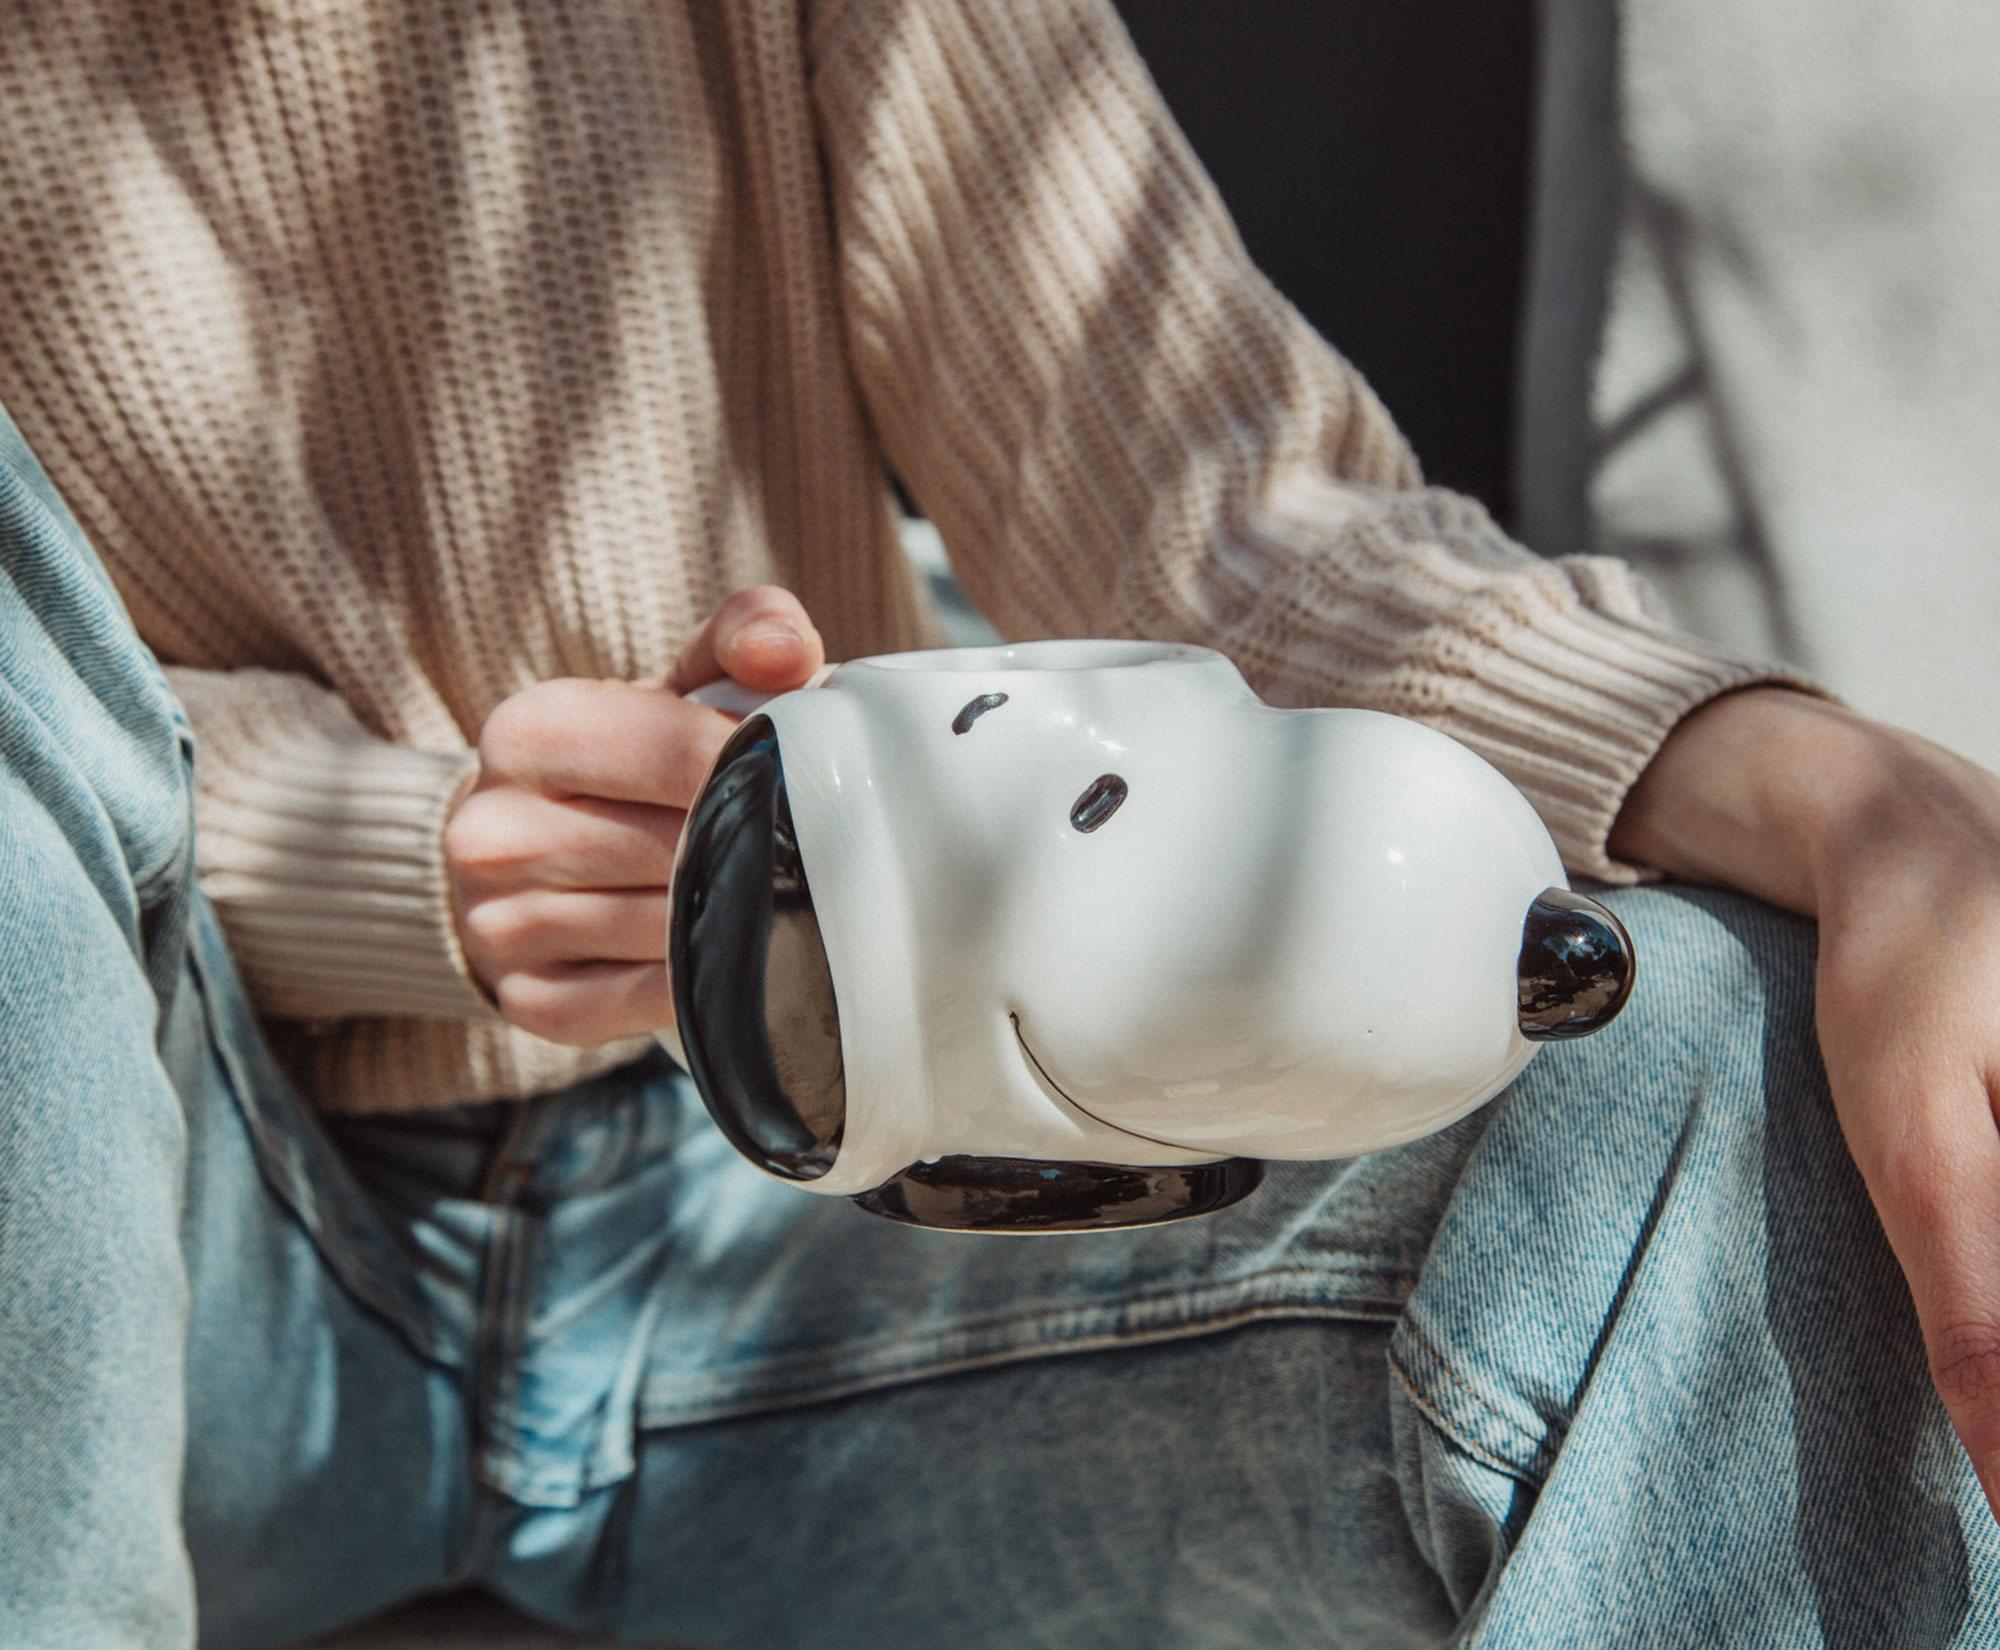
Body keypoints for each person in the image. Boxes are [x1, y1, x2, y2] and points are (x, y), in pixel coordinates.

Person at [2, 2, 1998, 1645]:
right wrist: (373, 851)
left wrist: (1854, 810)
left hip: (825, 1190)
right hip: (176, 1241)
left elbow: (1218, 511)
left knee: (1703, 1068)